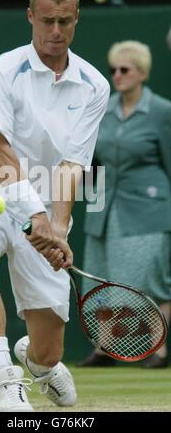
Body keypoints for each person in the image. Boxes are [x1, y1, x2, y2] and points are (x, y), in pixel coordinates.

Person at [0, 0, 110, 411]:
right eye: (46, 21)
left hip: (47, 207)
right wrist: (34, 215)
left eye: (64, 21)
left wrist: (56, 226)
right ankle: (6, 380)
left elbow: (72, 164)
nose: (55, 31)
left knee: (49, 350)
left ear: (76, 18)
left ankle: (37, 363)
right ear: (30, 17)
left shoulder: (95, 85)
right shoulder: (2, 70)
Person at [77, 40, 171, 368]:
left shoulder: (162, 111)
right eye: (112, 69)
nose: (117, 75)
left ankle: (158, 350)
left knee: (150, 280)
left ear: (142, 73)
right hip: (102, 205)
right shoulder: (101, 108)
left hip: (148, 208)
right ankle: (104, 349)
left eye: (124, 69)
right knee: (99, 279)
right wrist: (91, 202)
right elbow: (89, 159)